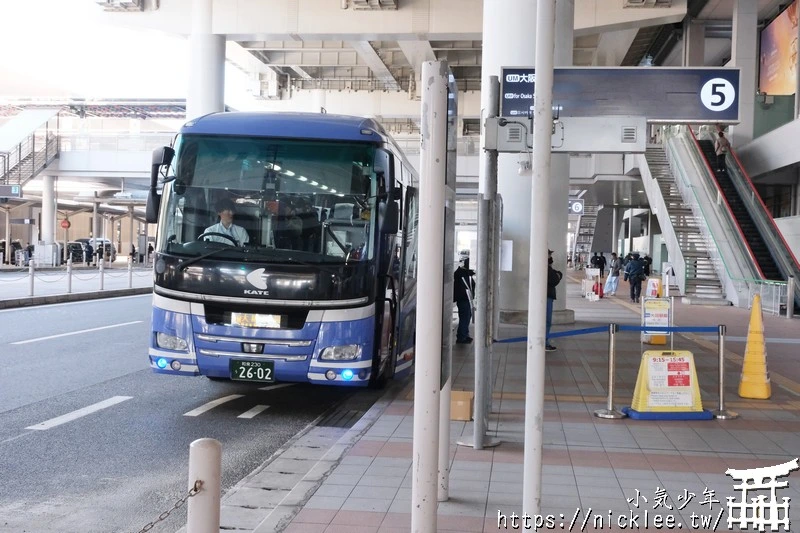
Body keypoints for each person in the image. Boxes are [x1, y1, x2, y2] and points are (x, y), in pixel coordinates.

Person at [453, 258, 475, 344]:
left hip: (465, 299)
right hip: (464, 299)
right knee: (464, 317)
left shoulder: (463, 273)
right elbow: (467, 287)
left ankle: (465, 334)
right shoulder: (463, 275)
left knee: (467, 316)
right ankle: (462, 337)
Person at [546, 250, 562, 352]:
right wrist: (559, 274)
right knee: (546, 321)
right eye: (549, 254)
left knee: (545, 321)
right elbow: (554, 279)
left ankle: (544, 342)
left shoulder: (545, 267)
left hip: (545, 296)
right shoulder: (546, 268)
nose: (551, 256)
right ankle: (544, 343)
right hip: (547, 296)